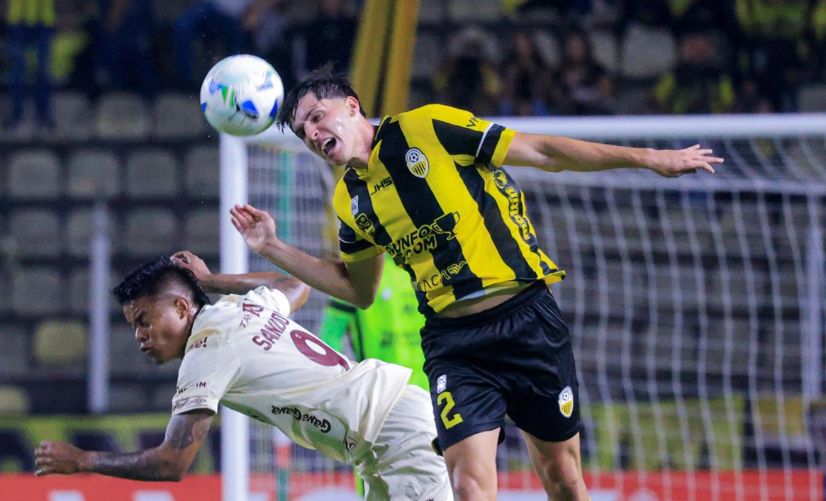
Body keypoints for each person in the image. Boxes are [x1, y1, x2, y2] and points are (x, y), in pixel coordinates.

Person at [229, 66, 724, 500]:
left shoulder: (426, 127)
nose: (313, 134)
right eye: (303, 132)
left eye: (317, 117)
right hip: (454, 345)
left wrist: (649, 158)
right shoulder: (350, 201)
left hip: (526, 320)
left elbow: (543, 151)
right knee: (467, 487)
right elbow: (357, 289)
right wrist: (271, 245)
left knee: (563, 478)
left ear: (352, 106)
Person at [33, 251, 452, 501]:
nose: (140, 335)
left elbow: (172, 462)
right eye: (133, 327)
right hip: (385, 433)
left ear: (181, 308)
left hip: (394, 434)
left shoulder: (206, 350)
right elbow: (294, 284)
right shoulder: (241, 309)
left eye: (144, 320)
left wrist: (82, 460)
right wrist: (212, 281)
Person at [320, 253, 428, 390]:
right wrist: (339, 384)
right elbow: (330, 336)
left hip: (429, 390)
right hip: (379, 392)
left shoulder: (430, 270)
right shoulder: (359, 273)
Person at [4, 0, 56, 130]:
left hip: (43, 20)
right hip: (18, 21)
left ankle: (42, 115)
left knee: (42, 71)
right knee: (17, 73)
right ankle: (17, 114)